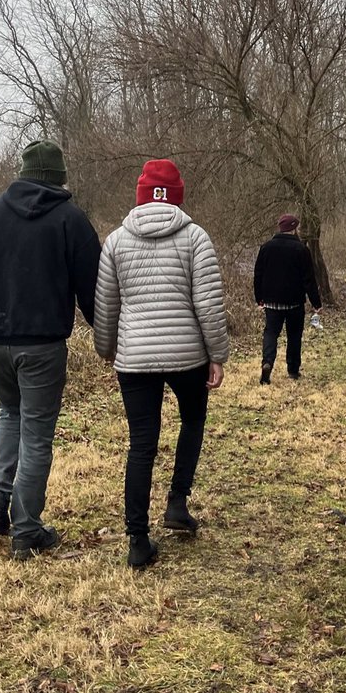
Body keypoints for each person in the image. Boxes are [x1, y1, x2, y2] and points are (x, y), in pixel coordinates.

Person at [0, 140, 101, 560]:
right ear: (59, 178)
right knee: (36, 431)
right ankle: (27, 530)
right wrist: (107, 335)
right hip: (41, 345)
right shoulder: (71, 220)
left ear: (22, 173)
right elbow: (94, 289)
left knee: (9, 414)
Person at [93, 159, 229, 570]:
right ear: (177, 195)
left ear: (140, 195)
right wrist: (217, 355)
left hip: (134, 358)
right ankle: (177, 503)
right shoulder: (195, 238)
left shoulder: (116, 241)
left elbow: (106, 306)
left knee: (141, 444)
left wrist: (106, 349)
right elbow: (208, 304)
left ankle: (137, 539)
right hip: (187, 355)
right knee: (192, 421)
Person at [253, 213, 322, 385]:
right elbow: (309, 279)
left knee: (270, 333)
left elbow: (258, 275)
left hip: (271, 301)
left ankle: (267, 362)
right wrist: (316, 303)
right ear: (293, 229)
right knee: (294, 335)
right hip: (294, 302)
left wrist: (259, 298)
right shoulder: (301, 250)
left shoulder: (266, 247)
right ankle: (292, 370)